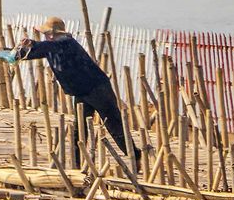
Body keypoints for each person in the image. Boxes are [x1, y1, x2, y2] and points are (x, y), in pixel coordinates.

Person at [13, 17, 141, 164]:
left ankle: (135, 157)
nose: (45, 35)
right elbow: (32, 53)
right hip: (82, 92)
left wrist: (32, 43)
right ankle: (76, 164)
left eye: (46, 33)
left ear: (52, 34)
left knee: (115, 127)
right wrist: (10, 54)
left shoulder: (66, 43)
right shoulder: (52, 46)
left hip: (98, 89)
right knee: (79, 130)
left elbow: (43, 47)